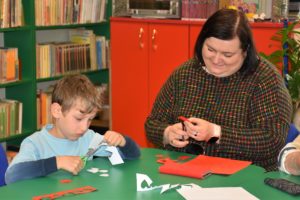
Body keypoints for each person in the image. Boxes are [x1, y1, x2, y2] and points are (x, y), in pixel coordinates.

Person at [145, 8, 292, 171]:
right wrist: (167, 133)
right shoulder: (185, 73)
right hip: (184, 171)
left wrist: (217, 133)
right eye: (210, 49)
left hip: (245, 177)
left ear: (245, 51)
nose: (216, 60)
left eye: (227, 55)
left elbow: (273, 140)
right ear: (202, 42)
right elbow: (152, 124)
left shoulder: (264, 79)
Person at [5, 74, 140, 184]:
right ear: (57, 111)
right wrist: (58, 162)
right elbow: (12, 175)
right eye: (78, 119)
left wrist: (122, 141)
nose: (84, 127)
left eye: (90, 119)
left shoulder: (88, 138)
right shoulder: (35, 143)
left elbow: (133, 155)